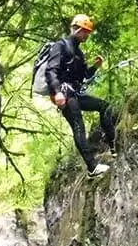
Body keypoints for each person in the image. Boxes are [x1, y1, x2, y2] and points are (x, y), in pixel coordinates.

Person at [45, 14, 117, 177]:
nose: (87, 35)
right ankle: (92, 167)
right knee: (78, 125)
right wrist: (57, 93)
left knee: (104, 106)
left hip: (75, 93)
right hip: (64, 94)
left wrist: (95, 67)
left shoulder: (78, 53)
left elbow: (84, 76)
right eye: (85, 31)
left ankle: (113, 147)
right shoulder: (60, 46)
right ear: (77, 29)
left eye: (88, 32)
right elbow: (51, 71)